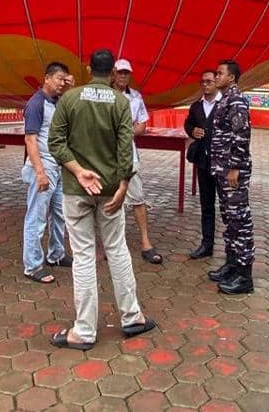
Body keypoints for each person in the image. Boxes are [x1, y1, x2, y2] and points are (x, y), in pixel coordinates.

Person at [47, 49, 156, 349]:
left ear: (88, 69)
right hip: (111, 191)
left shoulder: (70, 98)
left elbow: (55, 142)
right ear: (111, 74)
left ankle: (83, 332)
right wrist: (123, 185)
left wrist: (79, 170)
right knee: (118, 250)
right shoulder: (121, 102)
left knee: (82, 255)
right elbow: (126, 146)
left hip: (76, 189)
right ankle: (132, 317)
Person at [207, 60, 255, 294]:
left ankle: (245, 276)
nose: (216, 77)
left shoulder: (236, 100)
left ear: (232, 78)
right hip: (222, 170)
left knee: (240, 221)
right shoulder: (225, 98)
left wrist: (235, 166)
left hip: (233, 171)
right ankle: (232, 265)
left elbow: (241, 134)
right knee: (229, 220)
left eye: (219, 74)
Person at [22, 62, 72, 284]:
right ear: (47, 78)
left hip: (59, 166)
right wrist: (39, 172)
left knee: (60, 213)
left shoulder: (58, 101)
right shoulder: (36, 104)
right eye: (60, 78)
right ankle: (32, 266)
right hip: (43, 167)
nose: (62, 82)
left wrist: (71, 87)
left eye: (65, 79)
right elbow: (30, 139)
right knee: (37, 217)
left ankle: (57, 254)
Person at [112, 59, 162, 264]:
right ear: (113, 74)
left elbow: (142, 122)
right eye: (120, 72)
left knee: (138, 198)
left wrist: (128, 133)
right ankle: (113, 244)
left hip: (128, 155)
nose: (123, 76)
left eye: (127, 73)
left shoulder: (135, 97)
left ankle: (145, 242)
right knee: (110, 200)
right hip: (105, 156)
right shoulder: (103, 95)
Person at [183, 70, 220, 259]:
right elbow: (187, 125)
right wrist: (193, 131)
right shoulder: (196, 107)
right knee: (206, 205)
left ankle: (233, 250)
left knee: (228, 208)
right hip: (204, 163)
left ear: (217, 82)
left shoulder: (225, 104)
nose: (206, 85)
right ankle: (207, 244)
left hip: (222, 164)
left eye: (209, 81)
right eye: (203, 82)